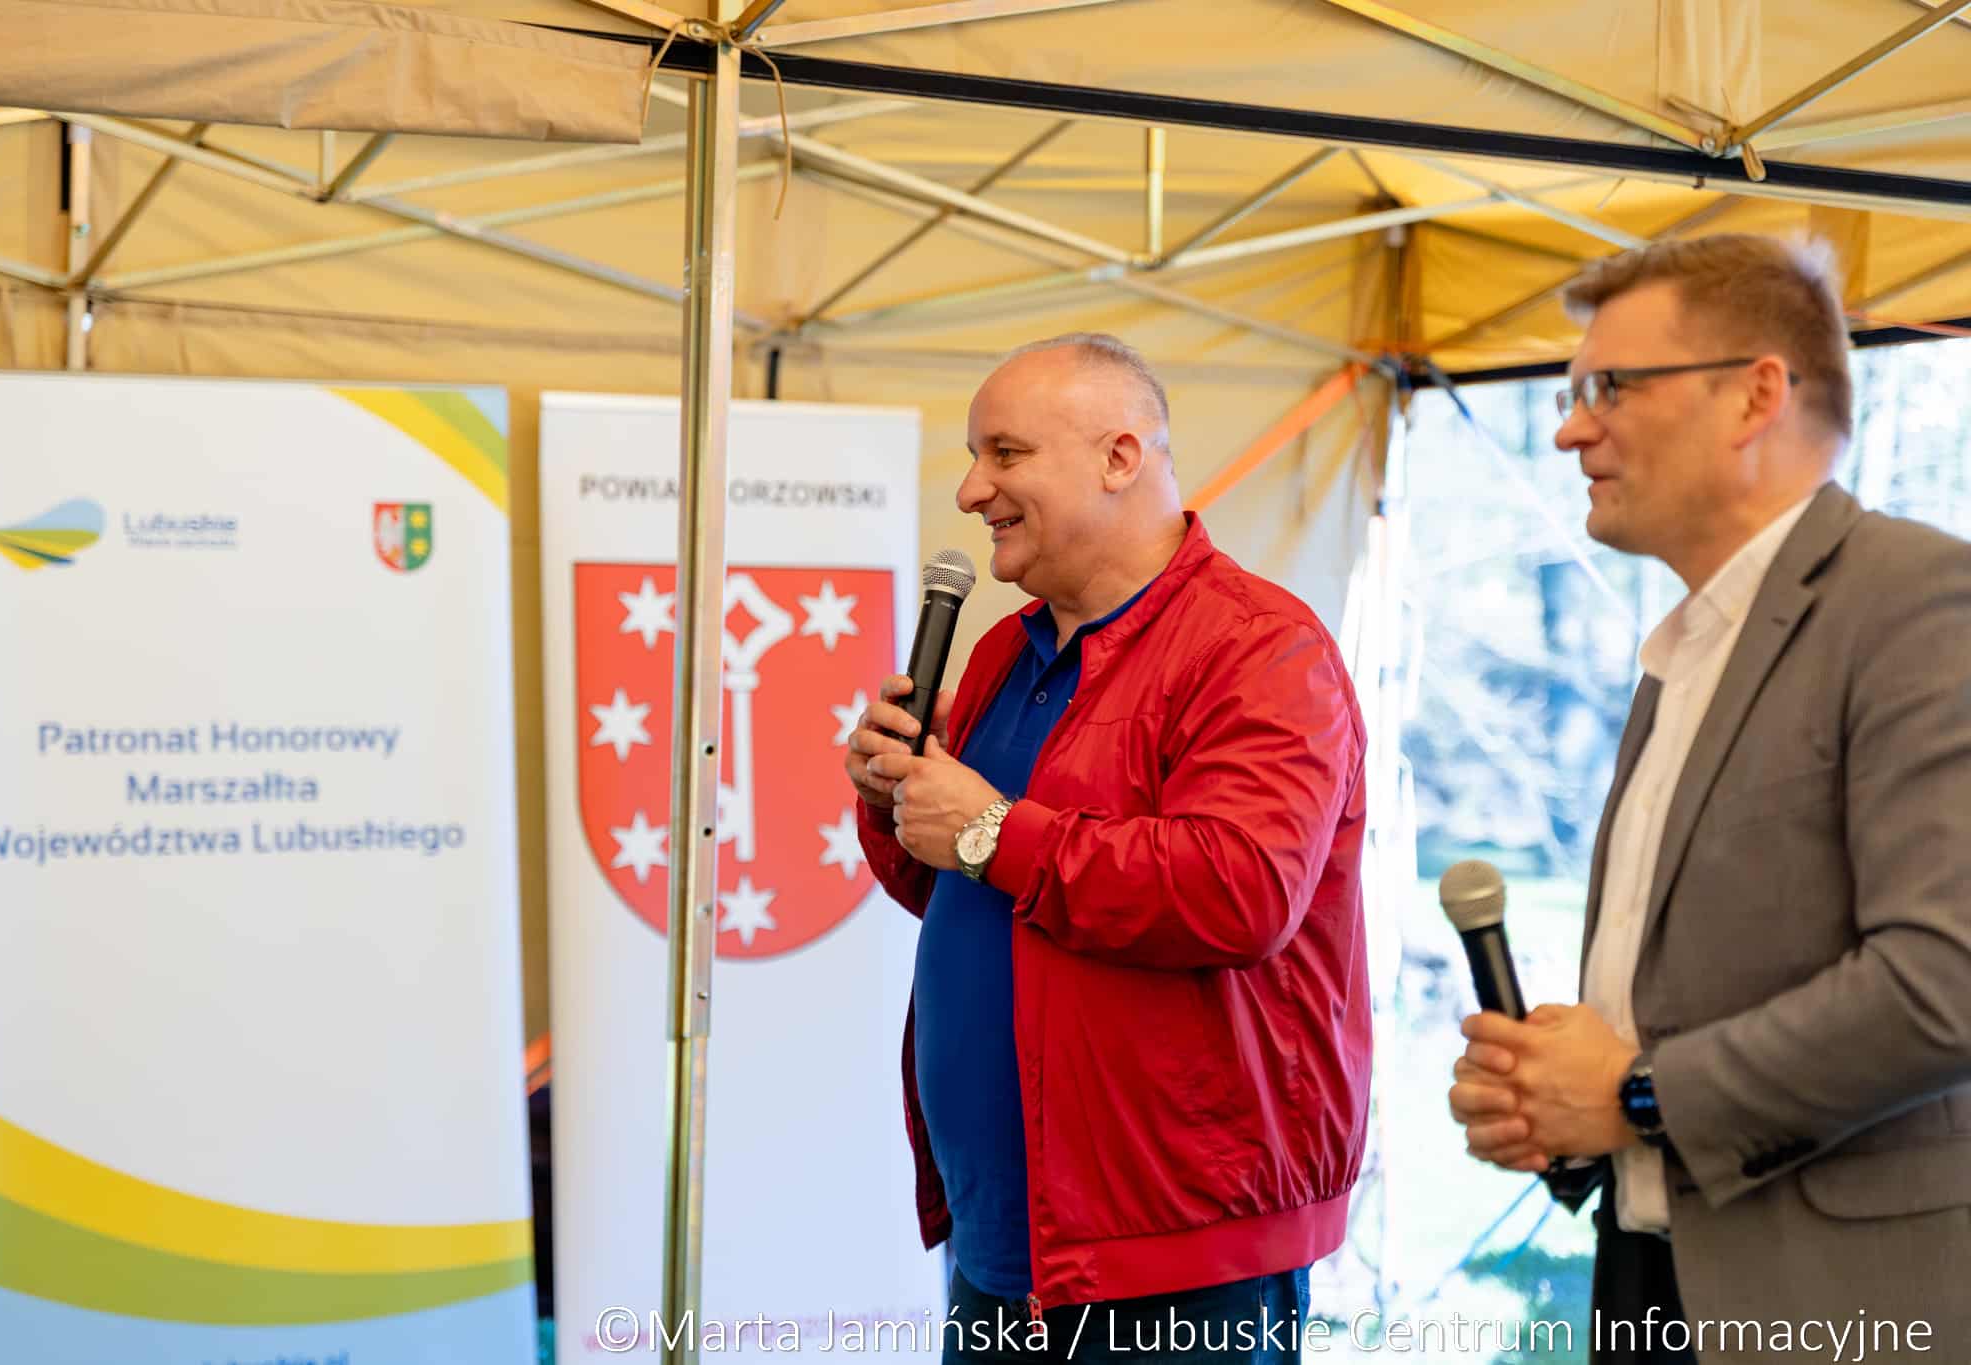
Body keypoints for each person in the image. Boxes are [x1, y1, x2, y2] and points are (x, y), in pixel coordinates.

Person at [1446, 234, 1971, 1364]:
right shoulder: (1679, 651)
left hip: (1834, 1305)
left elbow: (1946, 980)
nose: (1567, 427)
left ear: (1753, 395)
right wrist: (1561, 1110)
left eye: (1606, 388)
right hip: (1648, 1279)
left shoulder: (1917, 601)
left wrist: (1637, 1098)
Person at [842, 334, 1371, 1363]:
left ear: (1119, 458)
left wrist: (989, 828)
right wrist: (898, 802)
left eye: (1003, 454)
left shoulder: (1259, 649)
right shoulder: (1007, 647)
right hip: (1009, 1235)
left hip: (1172, 1255)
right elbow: (974, 894)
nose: (968, 490)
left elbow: (1238, 893)